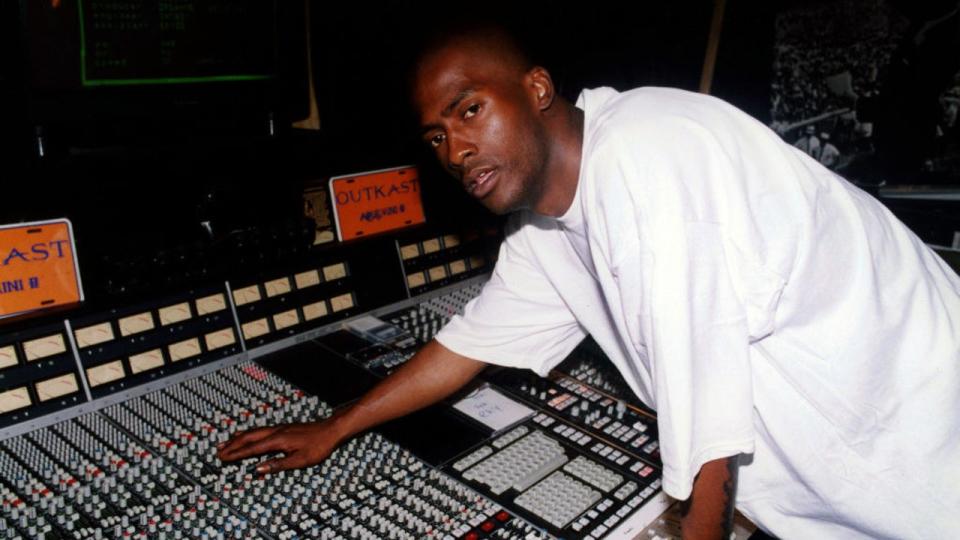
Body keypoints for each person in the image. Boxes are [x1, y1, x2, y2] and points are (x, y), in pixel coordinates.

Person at [218, 26, 960, 539]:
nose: (456, 148)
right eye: (437, 137)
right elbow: (466, 347)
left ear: (536, 89)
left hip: (925, 441)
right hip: (851, 470)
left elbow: (710, 437)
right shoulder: (544, 225)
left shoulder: (645, 158)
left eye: (470, 110)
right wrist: (337, 425)